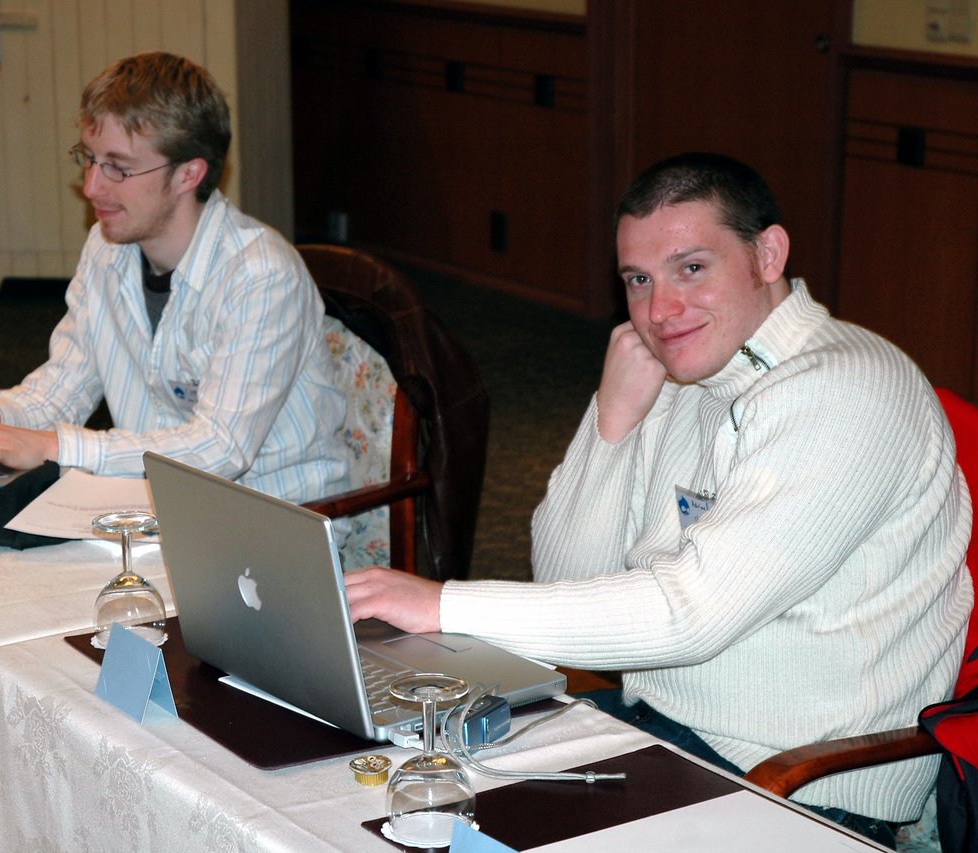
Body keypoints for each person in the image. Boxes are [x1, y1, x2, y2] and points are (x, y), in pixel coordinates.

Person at [345, 152, 973, 847]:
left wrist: (442, 605)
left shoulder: (847, 391)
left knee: (447, 824)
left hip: (795, 783)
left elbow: (691, 613)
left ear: (768, 254)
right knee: (397, 804)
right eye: (638, 280)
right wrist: (611, 423)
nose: (660, 311)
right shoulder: (688, 371)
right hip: (658, 733)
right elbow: (567, 580)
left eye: (691, 268)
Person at [0, 53, 346, 503]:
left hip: (273, 517)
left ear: (188, 174)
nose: (91, 187)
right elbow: (64, 385)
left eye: (118, 167)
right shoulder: (107, 248)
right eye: (90, 158)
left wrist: (54, 447)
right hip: (160, 507)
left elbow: (219, 448)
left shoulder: (260, 275)